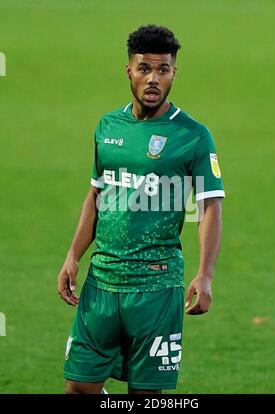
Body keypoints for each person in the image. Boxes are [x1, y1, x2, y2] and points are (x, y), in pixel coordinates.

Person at [58, 24, 225, 395]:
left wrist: (206, 274)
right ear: (128, 70)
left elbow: (210, 206)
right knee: (78, 388)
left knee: (145, 397)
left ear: (174, 73)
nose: (153, 79)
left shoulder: (194, 135)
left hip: (157, 287)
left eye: (163, 69)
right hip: (101, 282)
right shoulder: (107, 127)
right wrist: (73, 255)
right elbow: (96, 196)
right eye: (144, 68)